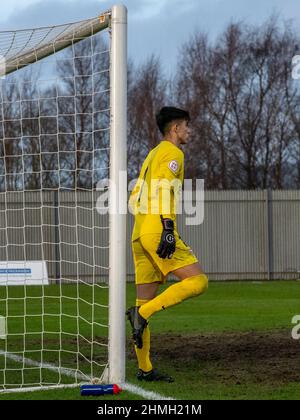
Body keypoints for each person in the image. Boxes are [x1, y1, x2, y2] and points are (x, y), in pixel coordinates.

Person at [126, 106, 208, 382]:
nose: (189, 130)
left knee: (143, 297)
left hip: (139, 232)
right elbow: (163, 189)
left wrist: (146, 225)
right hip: (157, 229)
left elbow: (135, 196)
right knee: (198, 282)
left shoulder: (153, 154)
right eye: (186, 126)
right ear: (175, 128)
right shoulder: (173, 153)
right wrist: (168, 229)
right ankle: (142, 314)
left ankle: (145, 368)